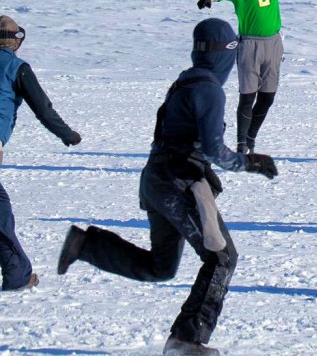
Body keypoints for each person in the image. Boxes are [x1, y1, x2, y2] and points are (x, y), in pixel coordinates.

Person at [56, 18, 278, 356]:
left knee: (161, 266)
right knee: (222, 259)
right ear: (226, 54)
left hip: (157, 182)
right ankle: (186, 341)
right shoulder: (208, 90)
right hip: (178, 184)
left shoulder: (187, 81)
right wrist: (251, 162)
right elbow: (215, 150)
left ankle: (85, 245)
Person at [197, 0, 300, 154]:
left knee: (268, 96)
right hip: (250, 47)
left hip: (273, 44)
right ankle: (242, 143)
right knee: (248, 95)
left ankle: (251, 137)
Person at [0, 15, 82, 291]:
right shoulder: (17, 67)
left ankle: (17, 275)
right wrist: (67, 135)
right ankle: (17, 276)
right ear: (15, 41)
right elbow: (43, 108)